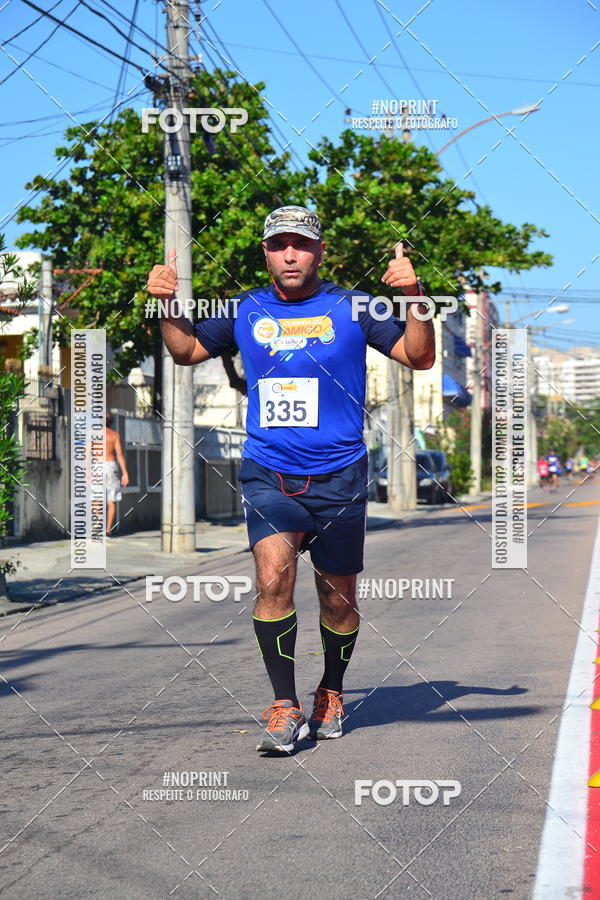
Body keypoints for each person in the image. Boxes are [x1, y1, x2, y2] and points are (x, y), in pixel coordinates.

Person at [146, 205, 435, 754]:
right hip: (269, 473)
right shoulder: (243, 308)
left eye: (301, 244)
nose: (290, 254)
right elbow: (184, 351)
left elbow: (419, 357)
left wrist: (414, 296)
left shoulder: (355, 307)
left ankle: (331, 689)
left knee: (338, 599)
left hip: (341, 476)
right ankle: (285, 703)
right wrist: (166, 306)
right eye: (279, 245)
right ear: (266, 253)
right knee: (273, 577)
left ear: (320, 251)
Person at [104, 412, 129, 536]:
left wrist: (86, 470)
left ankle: (97, 525)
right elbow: (120, 455)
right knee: (111, 499)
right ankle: (107, 529)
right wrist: (125, 473)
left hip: (97, 466)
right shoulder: (114, 435)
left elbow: (87, 453)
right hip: (110, 466)